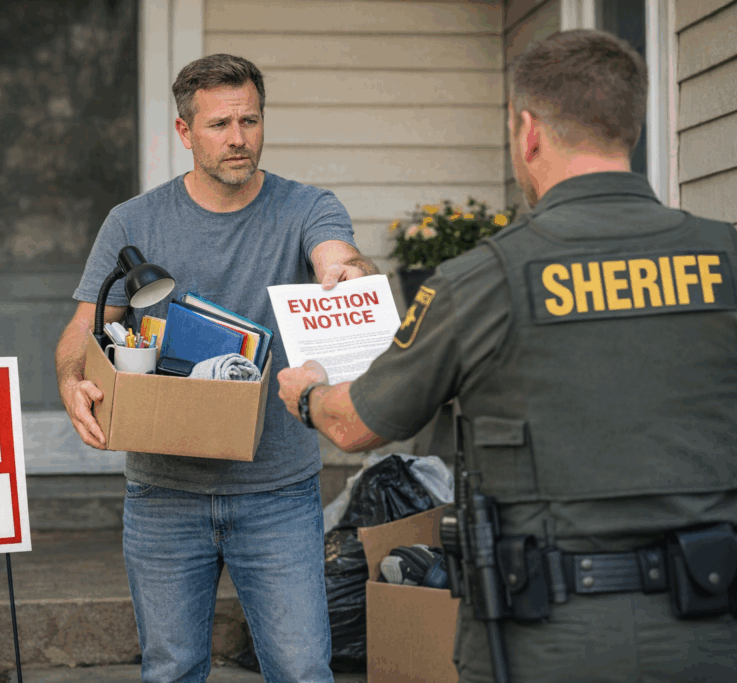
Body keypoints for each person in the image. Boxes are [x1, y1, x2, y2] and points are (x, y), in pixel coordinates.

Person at [278, 30, 737, 683]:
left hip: (549, 636)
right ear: (629, 127)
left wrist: (306, 390)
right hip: (712, 623)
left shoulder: (482, 280)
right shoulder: (726, 257)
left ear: (528, 132)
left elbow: (356, 424)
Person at [55, 53, 378, 683]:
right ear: (184, 132)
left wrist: (348, 275)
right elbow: (79, 331)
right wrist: (73, 381)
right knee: (172, 669)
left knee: (303, 667)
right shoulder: (134, 221)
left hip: (278, 490)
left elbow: (338, 255)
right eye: (219, 124)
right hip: (164, 492)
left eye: (250, 121)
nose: (238, 139)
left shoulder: (305, 206)